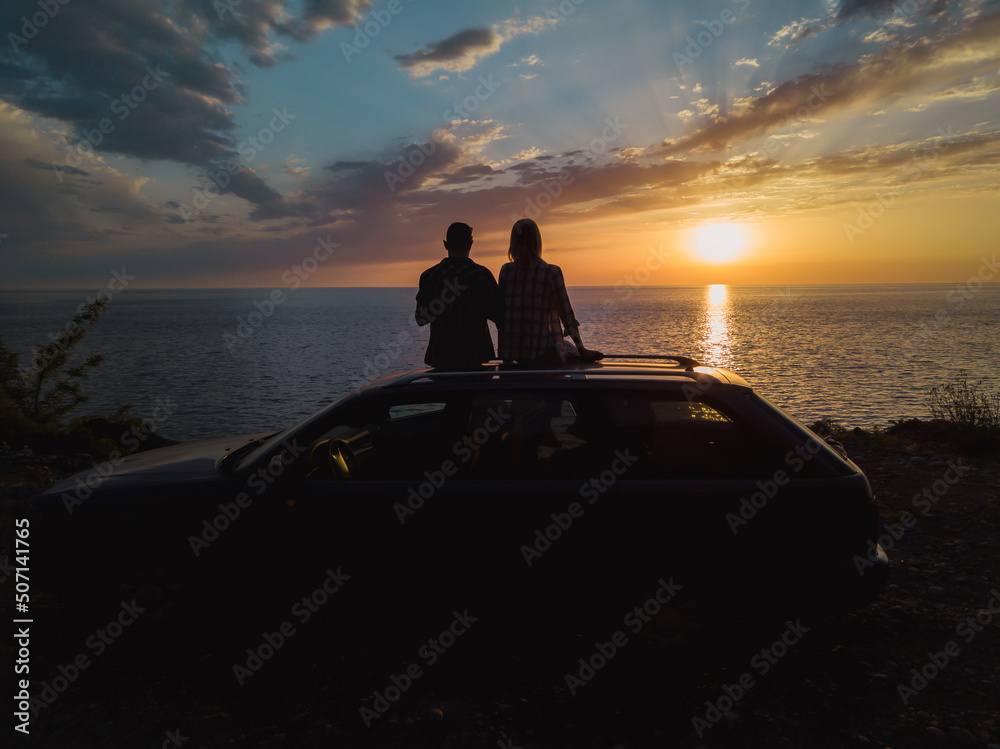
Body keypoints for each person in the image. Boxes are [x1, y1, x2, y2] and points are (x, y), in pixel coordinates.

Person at [498, 218, 602, 365]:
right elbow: (567, 316)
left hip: (514, 355)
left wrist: (503, 354)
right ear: (537, 241)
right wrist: (582, 350)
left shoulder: (505, 271)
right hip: (543, 355)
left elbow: (501, 315)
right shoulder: (551, 272)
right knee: (571, 349)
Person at [415, 222, 500, 369]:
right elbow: (499, 315)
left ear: (445, 245)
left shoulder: (429, 276)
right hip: (475, 357)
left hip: (441, 358)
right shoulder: (481, 275)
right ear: (471, 244)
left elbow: (421, 319)